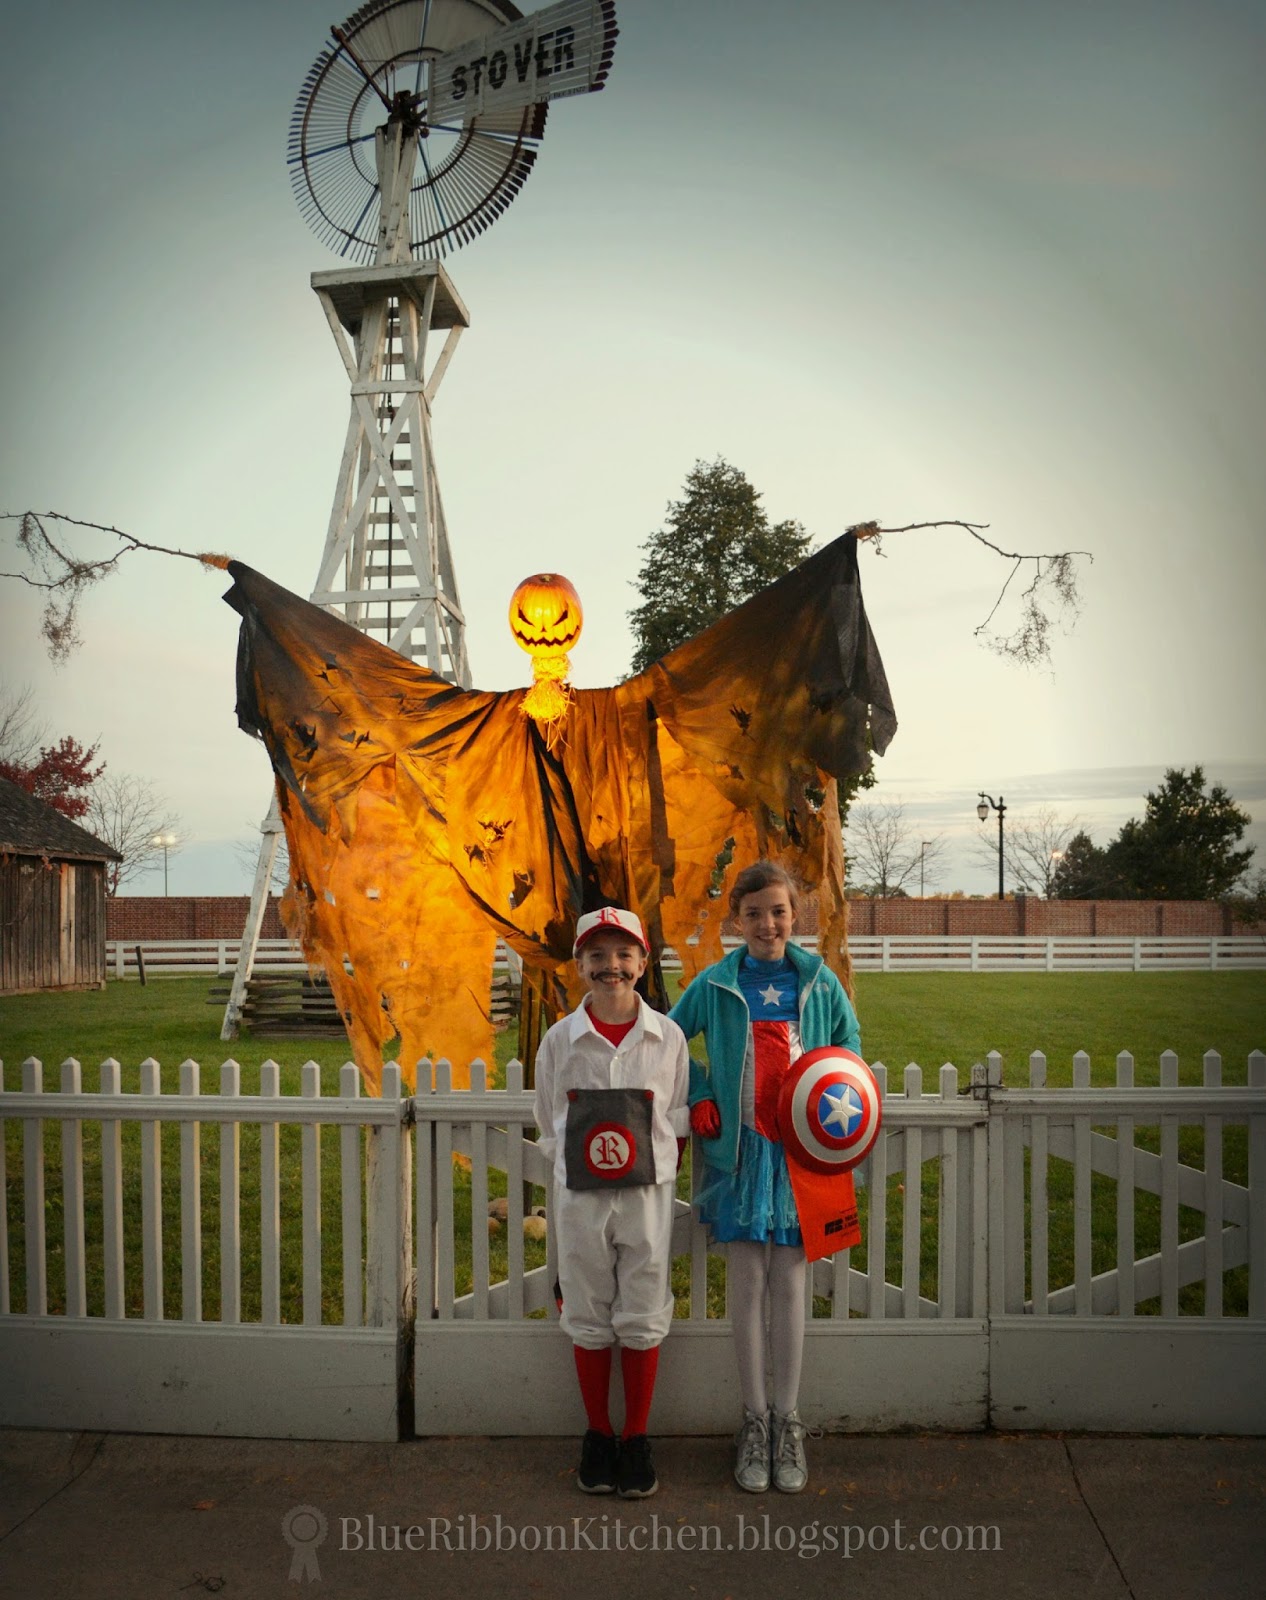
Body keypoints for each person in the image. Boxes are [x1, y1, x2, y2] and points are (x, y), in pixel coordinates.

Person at [668, 861, 861, 1494]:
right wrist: (699, 1090)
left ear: (795, 914)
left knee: (791, 1282)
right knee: (748, 1280)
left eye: (778, 911)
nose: (767, 923)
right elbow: (668, 1041)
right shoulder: (718, 983)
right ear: (737, 920)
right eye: (754, 913)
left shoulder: (820, 983)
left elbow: (848, 1054)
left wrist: (836, 1121)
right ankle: (752, 1422)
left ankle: (789, 1420)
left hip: (802, 1156)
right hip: (743, 1155)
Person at [534, 906, 690, 1499]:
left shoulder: (666, 1038)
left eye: (623, 954)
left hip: (646, 1197)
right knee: (588, 1306)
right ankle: (598, 1434)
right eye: (597, 955)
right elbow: (548, 1116)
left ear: (644, 962)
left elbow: (673, 1116)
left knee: (643, 1306)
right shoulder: (560, 1041)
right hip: (580, 1199)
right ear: (579, 965)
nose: (611, 966)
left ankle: (637, 1436)